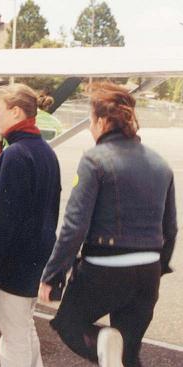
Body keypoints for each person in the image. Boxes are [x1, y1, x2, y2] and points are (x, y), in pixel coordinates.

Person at [39, 82, 178, 367]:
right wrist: (158, 267)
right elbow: (171, 228)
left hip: (105, 270)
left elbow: (74, 225)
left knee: (69, 324)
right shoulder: (161, 164)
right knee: (127, 355)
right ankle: (111, 352)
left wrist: (52, 275)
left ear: (102, 121)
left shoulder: (94, 160)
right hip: (148, 272)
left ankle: (103, 345)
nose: (90, 128)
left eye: (91, 121)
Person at [0, 84, 61, 366]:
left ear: (16, 112)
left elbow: (0, 225)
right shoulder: (46, 152)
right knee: (25, 329)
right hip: (39, 258)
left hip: (16, 263)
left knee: (13, 337)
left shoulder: (15, 155)